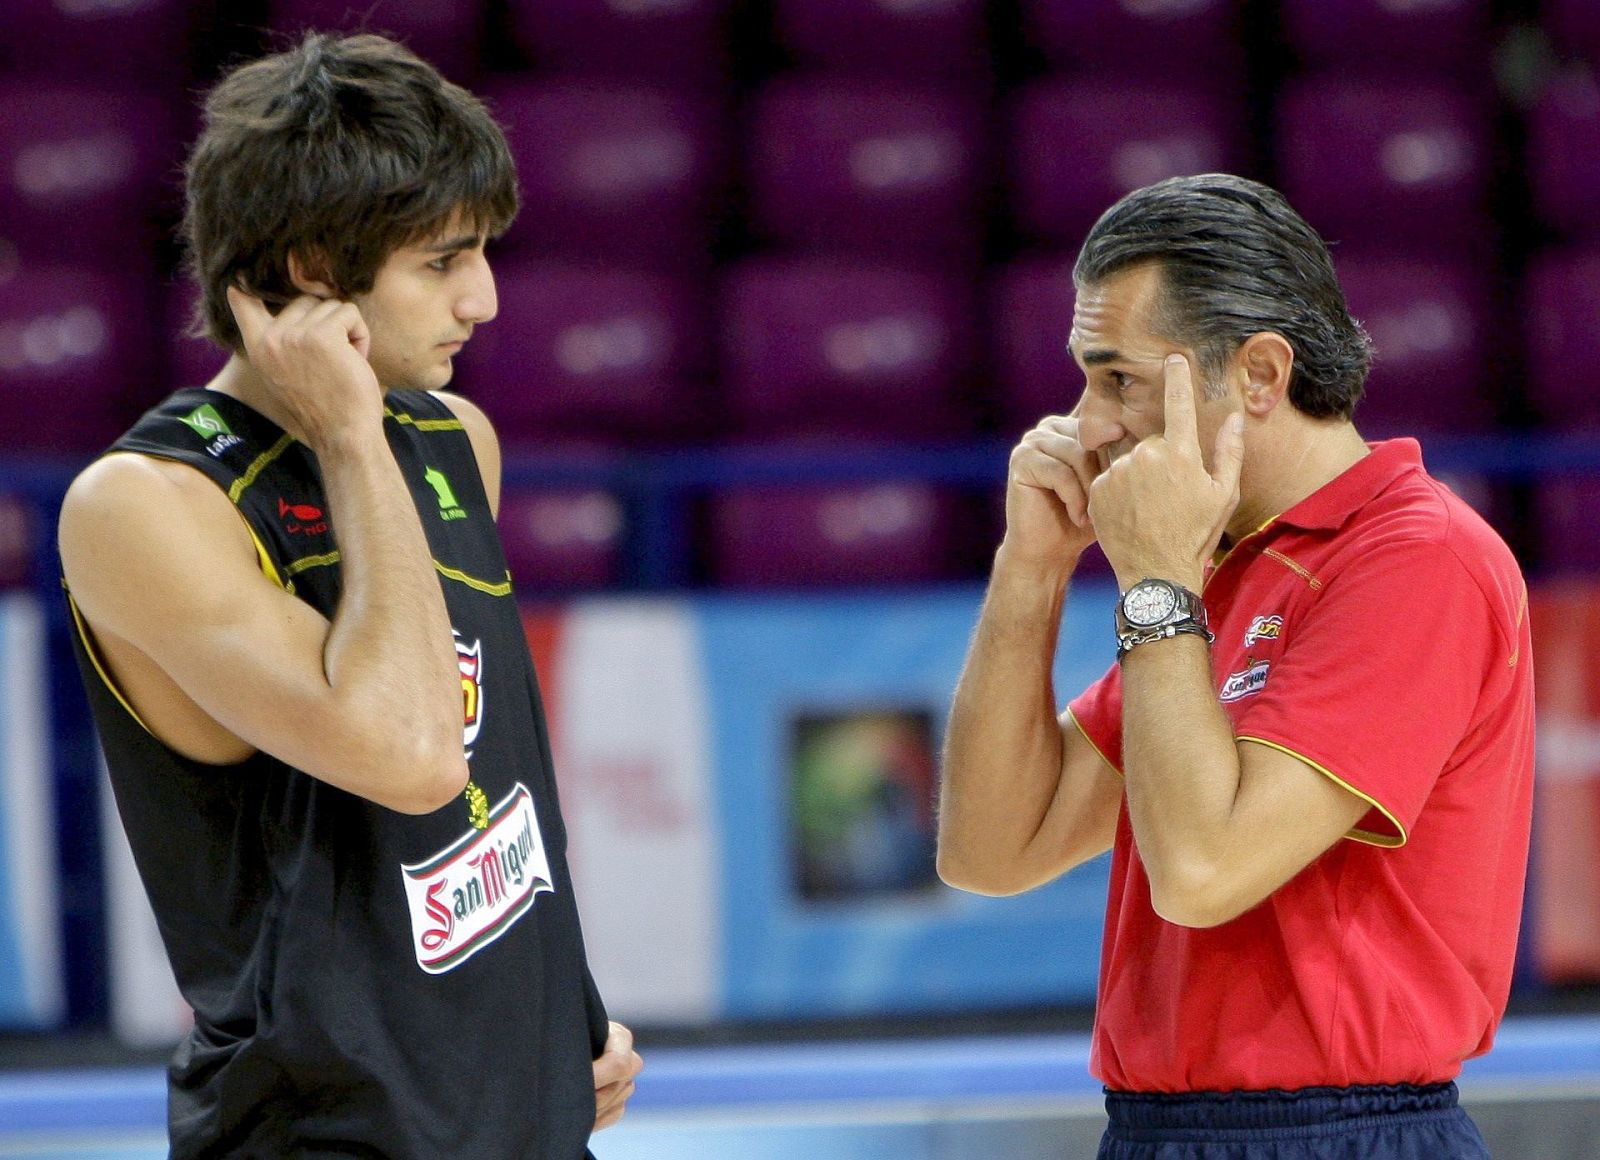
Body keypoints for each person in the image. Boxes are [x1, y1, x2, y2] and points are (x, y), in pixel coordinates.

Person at [57, 32, 641, 1158]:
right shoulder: (146, 501)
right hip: (327, 1134)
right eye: (441, 261)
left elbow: (481, 782)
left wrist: (549, 1016)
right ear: (318, 271)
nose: (484, 299)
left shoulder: (454, 437)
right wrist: (348, 436)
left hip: (515, 1118)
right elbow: (407, 753)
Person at [937, 173, 1534, 1159]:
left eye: (1117, 377)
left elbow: (1205, 869)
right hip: (1161, 1129)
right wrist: (1030, 570)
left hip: (1338, 1133)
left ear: (1258, 373)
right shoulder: (1224, 566)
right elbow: (991, 850)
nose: (1085, 424)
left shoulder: (1417, 555)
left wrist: (1157, 581)